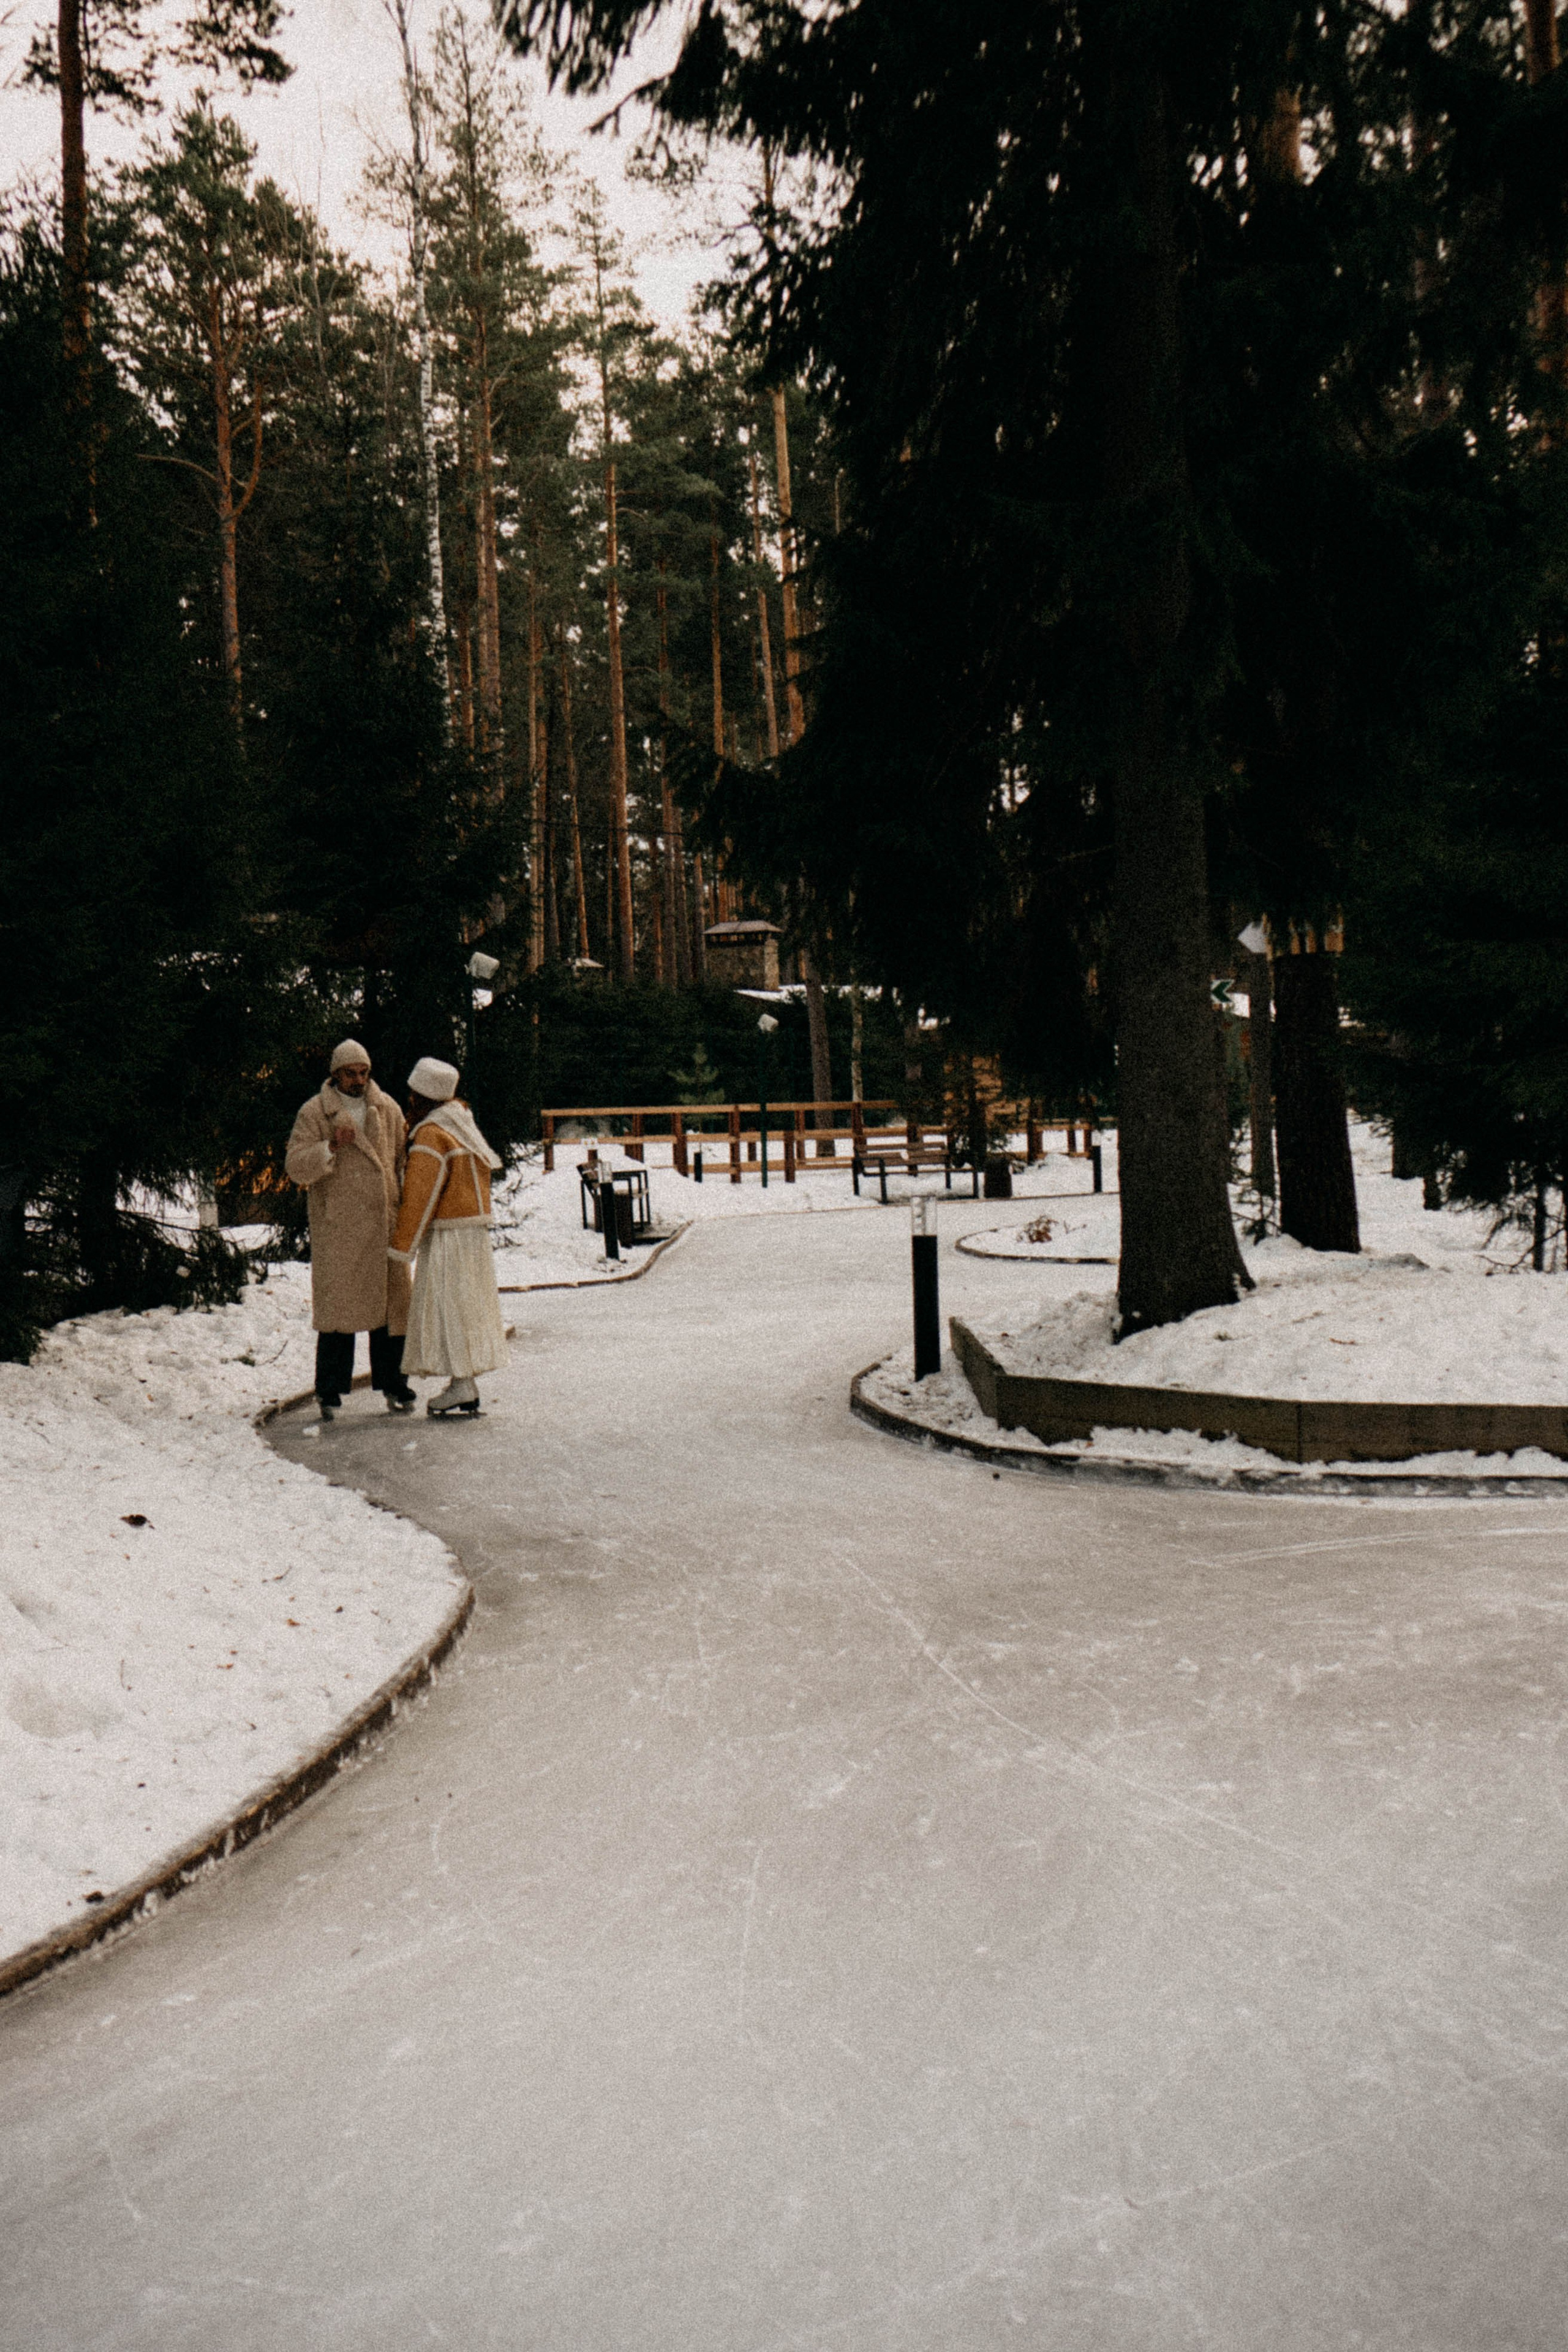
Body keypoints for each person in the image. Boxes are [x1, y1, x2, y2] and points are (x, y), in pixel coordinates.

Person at [285, 1039, 417, 1419]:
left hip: (382, 1224)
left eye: (364, 1072)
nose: (358, 1080)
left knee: (391, 1314)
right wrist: (328, 1146)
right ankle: (328, 1392)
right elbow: (295, 1166)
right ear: (335, 1074)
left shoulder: (387, 1108)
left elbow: (401, 1162)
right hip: (340, 1229)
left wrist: (405, 1208)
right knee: (339, 1315)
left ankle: (395, 1384)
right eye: (350, 1073)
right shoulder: (316, 1113)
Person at [390, 1057, 508, 1418]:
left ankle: (461, 1383)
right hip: (472, 1234)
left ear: (422, 1094)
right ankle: (464, 1381)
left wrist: (401, 1247)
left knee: (448, 1308)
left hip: (447, 1236)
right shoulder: (462, 1124)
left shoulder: (431, 1133)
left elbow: (420, 1196)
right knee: (467, 1307)